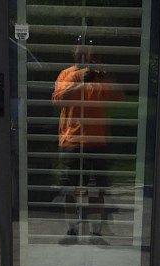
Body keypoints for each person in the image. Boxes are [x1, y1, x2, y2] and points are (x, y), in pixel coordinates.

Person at [51, 41, 123, 244]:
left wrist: (106, 74)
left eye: (89, 51)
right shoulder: (67, 74)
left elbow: (118, 97)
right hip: (72, 141)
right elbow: (57, 100)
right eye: (80, 50)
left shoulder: (102, 76)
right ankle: (72, 229)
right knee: (68, 189)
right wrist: (80, 82)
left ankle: (95, 232)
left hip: (97, 142)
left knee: (96, 188)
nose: (84, 54)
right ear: (74, 52)